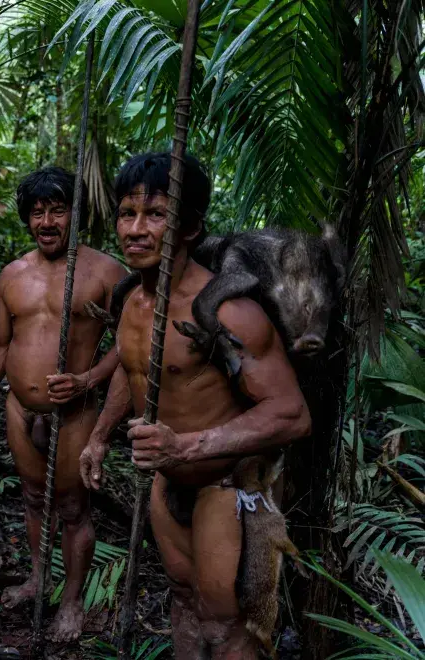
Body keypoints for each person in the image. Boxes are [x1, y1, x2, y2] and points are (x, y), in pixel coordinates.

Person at [78, 152, 311, 658]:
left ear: (189, 227)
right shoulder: (132, 301)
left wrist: (186, 446)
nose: (136, 229)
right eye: (127, 214)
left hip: (222, 486)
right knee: (184, 601)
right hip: (168, 481)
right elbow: (132, 366)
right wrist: (99, 436)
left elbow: (292, 412)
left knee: (227, 623)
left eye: (156, 215)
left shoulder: (228, 310)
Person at [0, 166, 127, 641]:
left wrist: (88, 378)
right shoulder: (14, 274)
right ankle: (38, 577)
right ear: (27, 219)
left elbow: (131, 341)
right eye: (38, 212)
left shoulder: (106, 271)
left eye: (58, 210)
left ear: (76, 213)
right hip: (19, 409)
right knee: (34, 499)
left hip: (76, 411)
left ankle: (71, 601)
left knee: (73, 509)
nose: (47, 221)